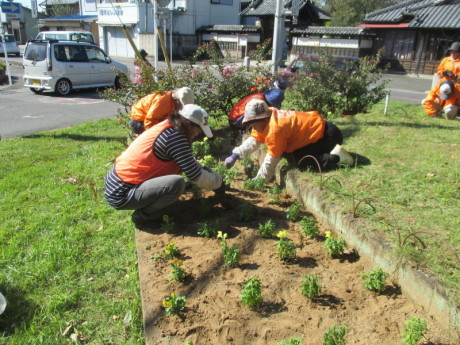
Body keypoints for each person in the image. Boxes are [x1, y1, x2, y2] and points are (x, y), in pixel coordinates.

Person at [105, 104, 223, 230]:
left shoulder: (170, 127)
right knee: (176, 184)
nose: (198, 133)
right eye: (198, 129)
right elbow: (195, 176)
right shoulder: (176, 137)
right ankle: (144, 216)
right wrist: (218, 183)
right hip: (122, 193)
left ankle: (150, 204)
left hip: (121, 183)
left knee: (178, 183)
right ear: (189, 124)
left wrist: (206, 169)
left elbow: (187, 160)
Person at [225, 99, 354, 182]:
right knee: (289, 154)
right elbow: (254, 139)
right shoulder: (267, 117)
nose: (252, 126)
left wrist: (260, 179)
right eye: (250, 122)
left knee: (301, 160)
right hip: (318, 132)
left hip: (327, 136)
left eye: (253, 122)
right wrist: (236, 154)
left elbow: (272, 158)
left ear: (263, 119)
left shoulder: (275, 129)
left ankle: (337, 158)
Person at [129, 87, 194, 134]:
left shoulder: (172, 102)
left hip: (148, 121)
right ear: (178, 101)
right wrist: (154, 136)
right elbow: (150, 121)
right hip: (139, 121)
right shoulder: (162, 102)